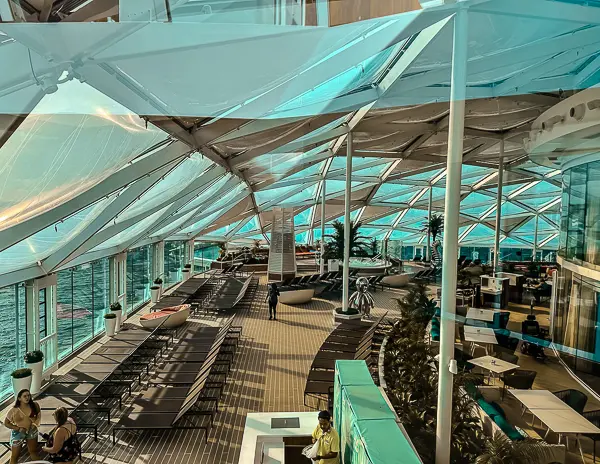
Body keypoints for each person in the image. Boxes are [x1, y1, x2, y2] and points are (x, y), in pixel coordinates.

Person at [4, 389, 41, 464]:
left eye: (28, 395)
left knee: (33, 452)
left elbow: (39, 417)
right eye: (25, 396)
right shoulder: (13, 410)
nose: (27, 397)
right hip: (18, 432)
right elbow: (6, 423)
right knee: (15, 456)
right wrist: (18, 428)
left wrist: (35, 424)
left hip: (31, 430)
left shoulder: (35, 405)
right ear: (19, 398)